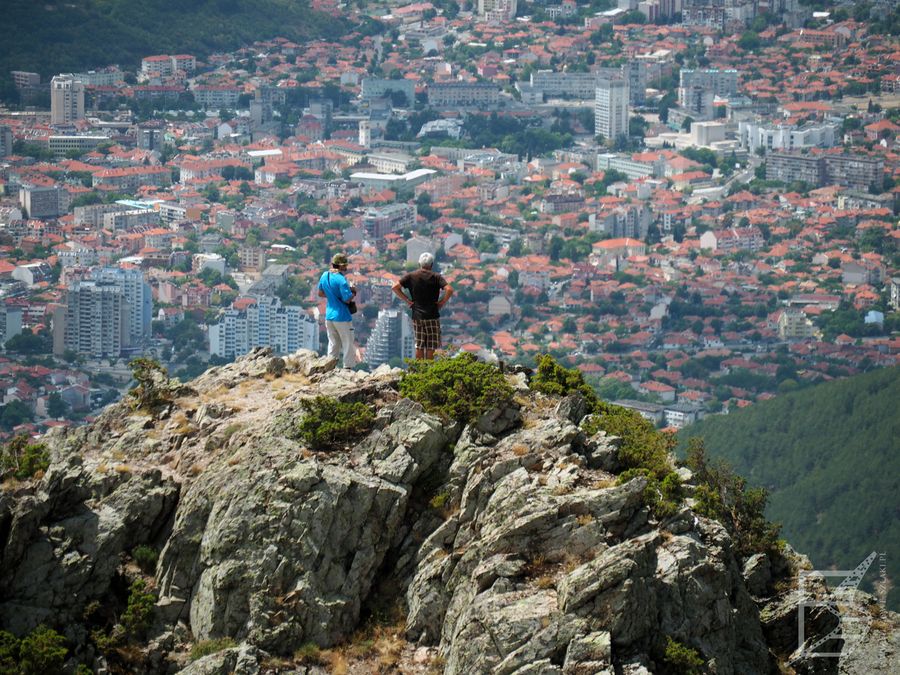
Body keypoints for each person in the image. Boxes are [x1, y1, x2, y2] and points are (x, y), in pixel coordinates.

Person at [392, 252, 454, 360]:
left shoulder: (411, 276)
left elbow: (395, 287)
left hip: (417, 315)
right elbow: (449, 289)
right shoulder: (436, 277)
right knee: (431, 346)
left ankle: (418, 371)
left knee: (419, 345)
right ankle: (428, 372)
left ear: (419, 263)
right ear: (431, 264)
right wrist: (441, 303)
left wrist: (407, 300)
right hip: (432, 315)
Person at [318, 253, 358, 368]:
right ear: (340, 266)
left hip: (329, 316)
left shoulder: (325, 275)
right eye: (345, 265)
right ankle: (348, 368)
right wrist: (354, 291)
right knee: (348, 343)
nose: (346, 267)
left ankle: (329, 367)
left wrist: (332, 296)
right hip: (342, 317)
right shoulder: (342, 280)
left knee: (333, 343)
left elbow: (320, 293)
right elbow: (347, 299)